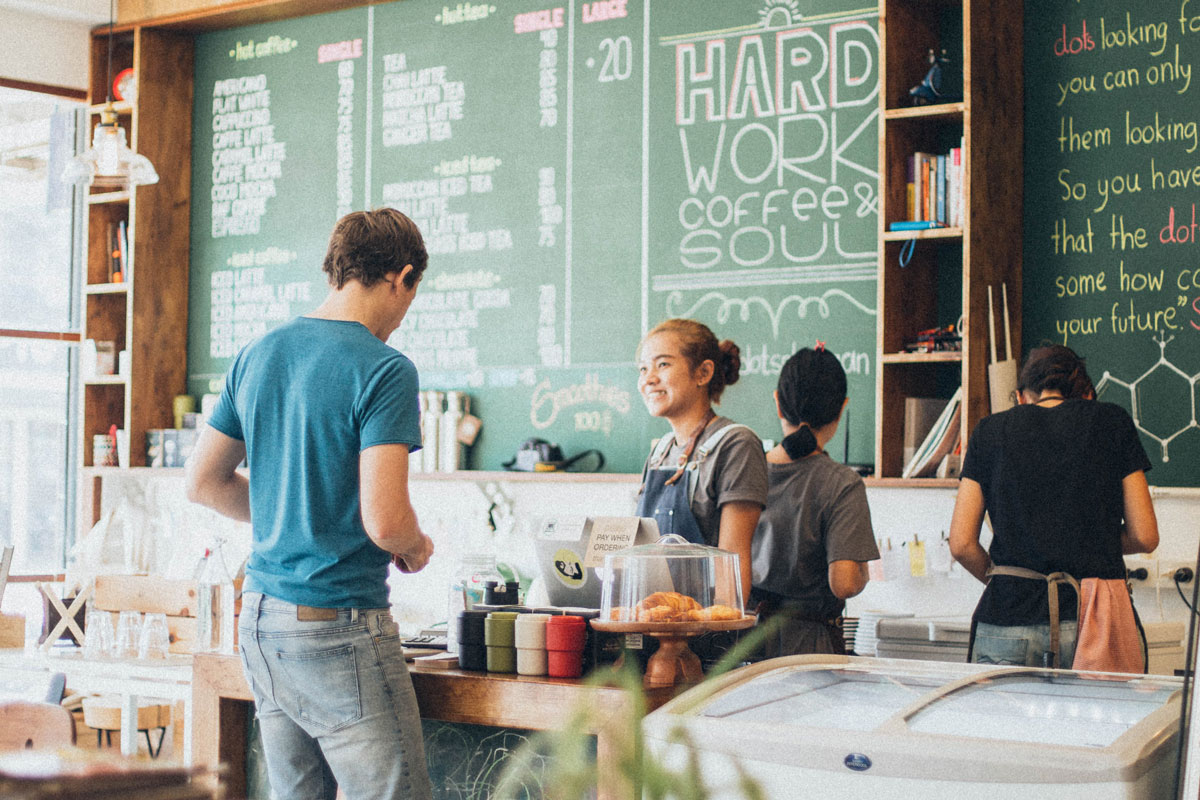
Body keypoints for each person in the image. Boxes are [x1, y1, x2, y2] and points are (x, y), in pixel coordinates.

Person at [185, 208, 435, 800]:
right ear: (401, 277)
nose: (405, 313)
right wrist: (416, 546)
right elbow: (387, 520)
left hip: (262, 619)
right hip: (337, 626)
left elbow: (204, 482)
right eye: (412, 293)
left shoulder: (258, 352)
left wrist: (287, 516)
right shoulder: (384, 369)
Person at [949, 344, 1159, 671]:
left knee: (1001, 723)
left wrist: (1006, 580)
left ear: (1021, 396)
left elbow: (961, 544)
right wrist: (1091, 540)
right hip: (1093, 619)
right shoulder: (1112, 422)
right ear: (1086, 394)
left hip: (1007, 617)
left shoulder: (988, 431)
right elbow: (1144, 536)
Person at [749, 345, 879, 657]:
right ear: (842, 406)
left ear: (778, 403)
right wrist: (863, 570)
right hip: (810, 649)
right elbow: (845, 584)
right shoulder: (841, 483)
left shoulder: (745, 471)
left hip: (743, 643)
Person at [635, 318, 768, 601]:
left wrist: (714, 638)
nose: (648, 378)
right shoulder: (660, 452)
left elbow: (732, 564)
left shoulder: (736, 444)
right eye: (643, 368)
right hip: (655, 622)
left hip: (704, 631)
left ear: (703, 372)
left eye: (663, 365)